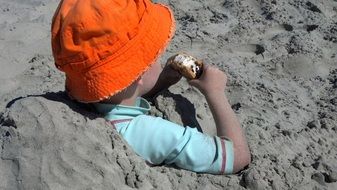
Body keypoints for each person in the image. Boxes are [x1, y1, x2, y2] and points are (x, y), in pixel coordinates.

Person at [51, 0, 251, 174]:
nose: (159, 58)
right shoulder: (148, 131)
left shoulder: (84, 102)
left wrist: (161, 82)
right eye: (154, 55)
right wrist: (215, 92)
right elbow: (238, 157)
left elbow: (120, 98)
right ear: (139, 74)